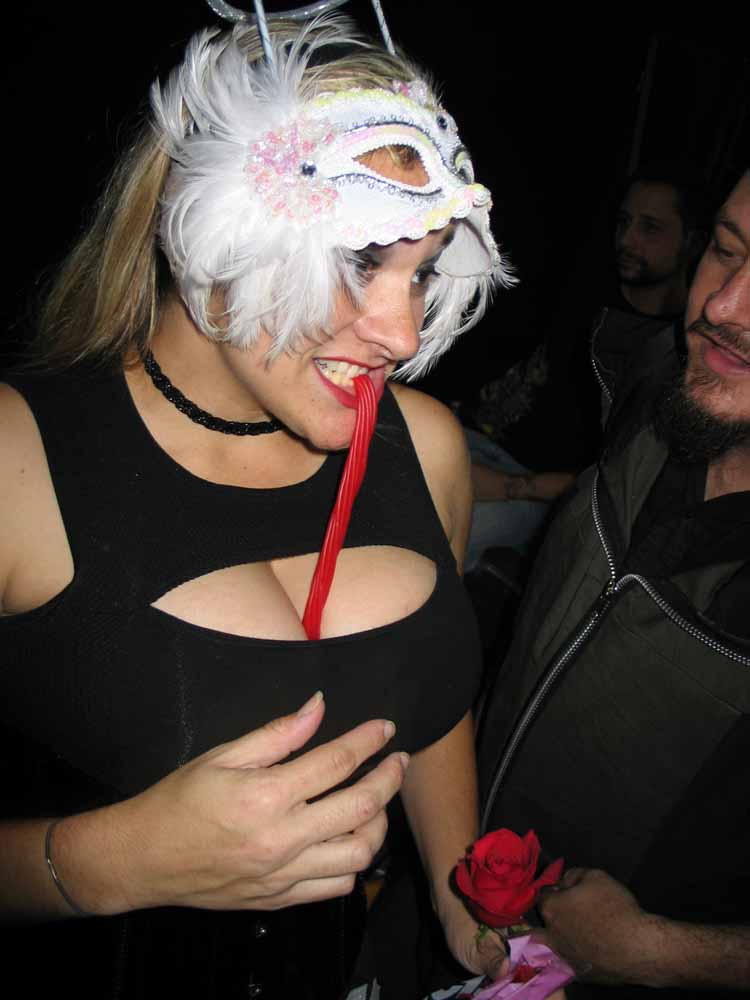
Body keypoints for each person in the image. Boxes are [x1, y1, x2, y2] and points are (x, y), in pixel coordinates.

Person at [0, 9, 514, 998]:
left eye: (422, 271)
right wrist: (108, 864)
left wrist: (469, 907)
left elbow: (426, 695)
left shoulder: (426, 446)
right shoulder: (18, 459)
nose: (403, 333)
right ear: (219, 230)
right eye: (361, 259)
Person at [477, 164, 750, 998]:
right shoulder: (667, 379)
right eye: (728, 250)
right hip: (467, 892)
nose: (723, 307)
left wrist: (660, 953)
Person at [462, 166, 710, 572]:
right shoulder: (588, 288)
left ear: (692, 241)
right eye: (624, 222)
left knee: (447, 531)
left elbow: (623, 478)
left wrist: (512, 487)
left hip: (539, 490)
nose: (627, 240)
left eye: (650, 228)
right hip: (475, 436)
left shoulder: (680, 348)